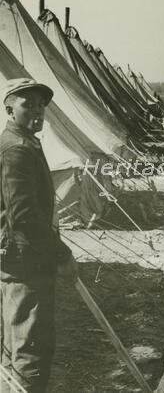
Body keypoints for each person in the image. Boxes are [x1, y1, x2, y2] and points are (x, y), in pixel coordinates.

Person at [0, 78, 78, 392]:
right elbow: (24, 217)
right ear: (9, 107)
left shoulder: (24, 141)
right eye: (27, 104)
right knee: (30, 349)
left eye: (41, 105)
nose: (37, 111)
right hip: (25, 263)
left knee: (15, 346)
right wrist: (62, 254)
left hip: (22, 259)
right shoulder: (16, 149)